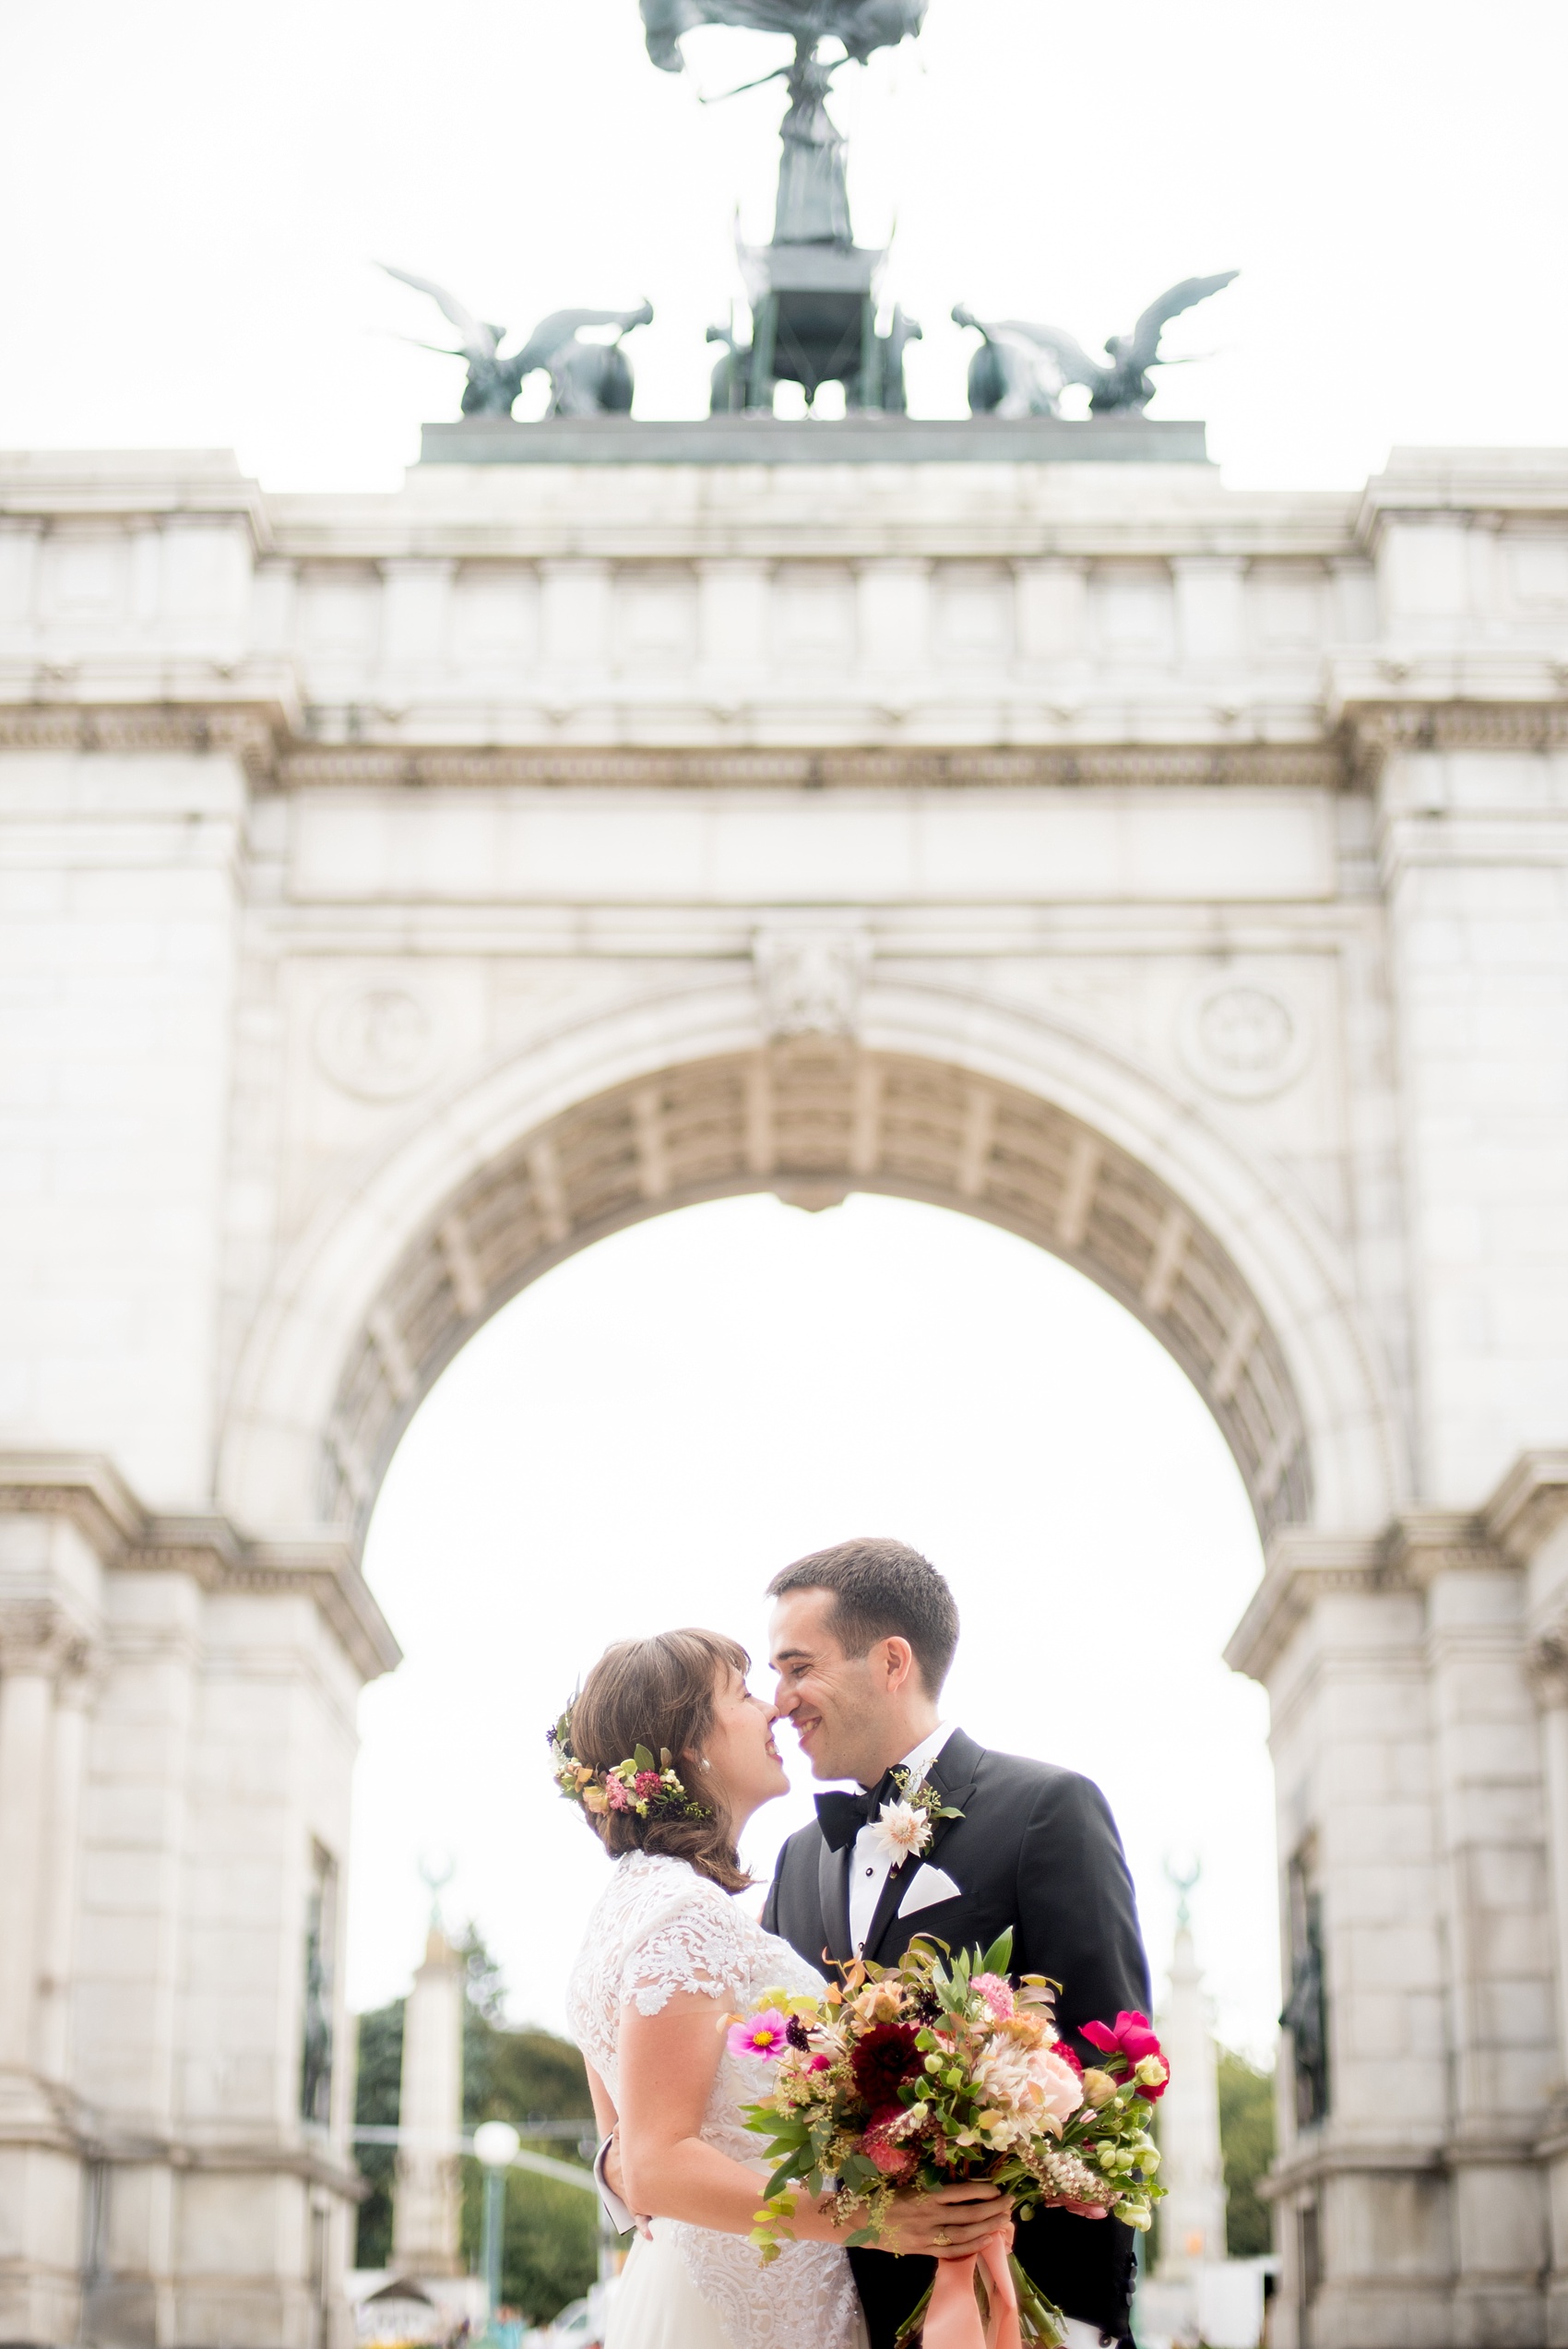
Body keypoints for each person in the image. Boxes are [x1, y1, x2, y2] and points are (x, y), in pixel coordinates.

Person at [563, 1628, 1011, 2349]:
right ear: (687, 1747)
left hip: (708, 2281)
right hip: (743, 2308)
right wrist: (878, 2220)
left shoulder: (631, 1905)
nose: (772, 1708)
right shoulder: (683, 1914)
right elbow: (653, 2161)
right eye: (741, 1693)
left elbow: (622, 2135)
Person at [762, 1539, 1150, 2349]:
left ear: (892, 1660)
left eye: (798, 1667)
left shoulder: (1049, 1809)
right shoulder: (799, 1859)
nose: (778, 1700)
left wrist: (1083, 2325)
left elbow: (1115, 2072)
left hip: (1021, 2307)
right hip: (837, 2316)